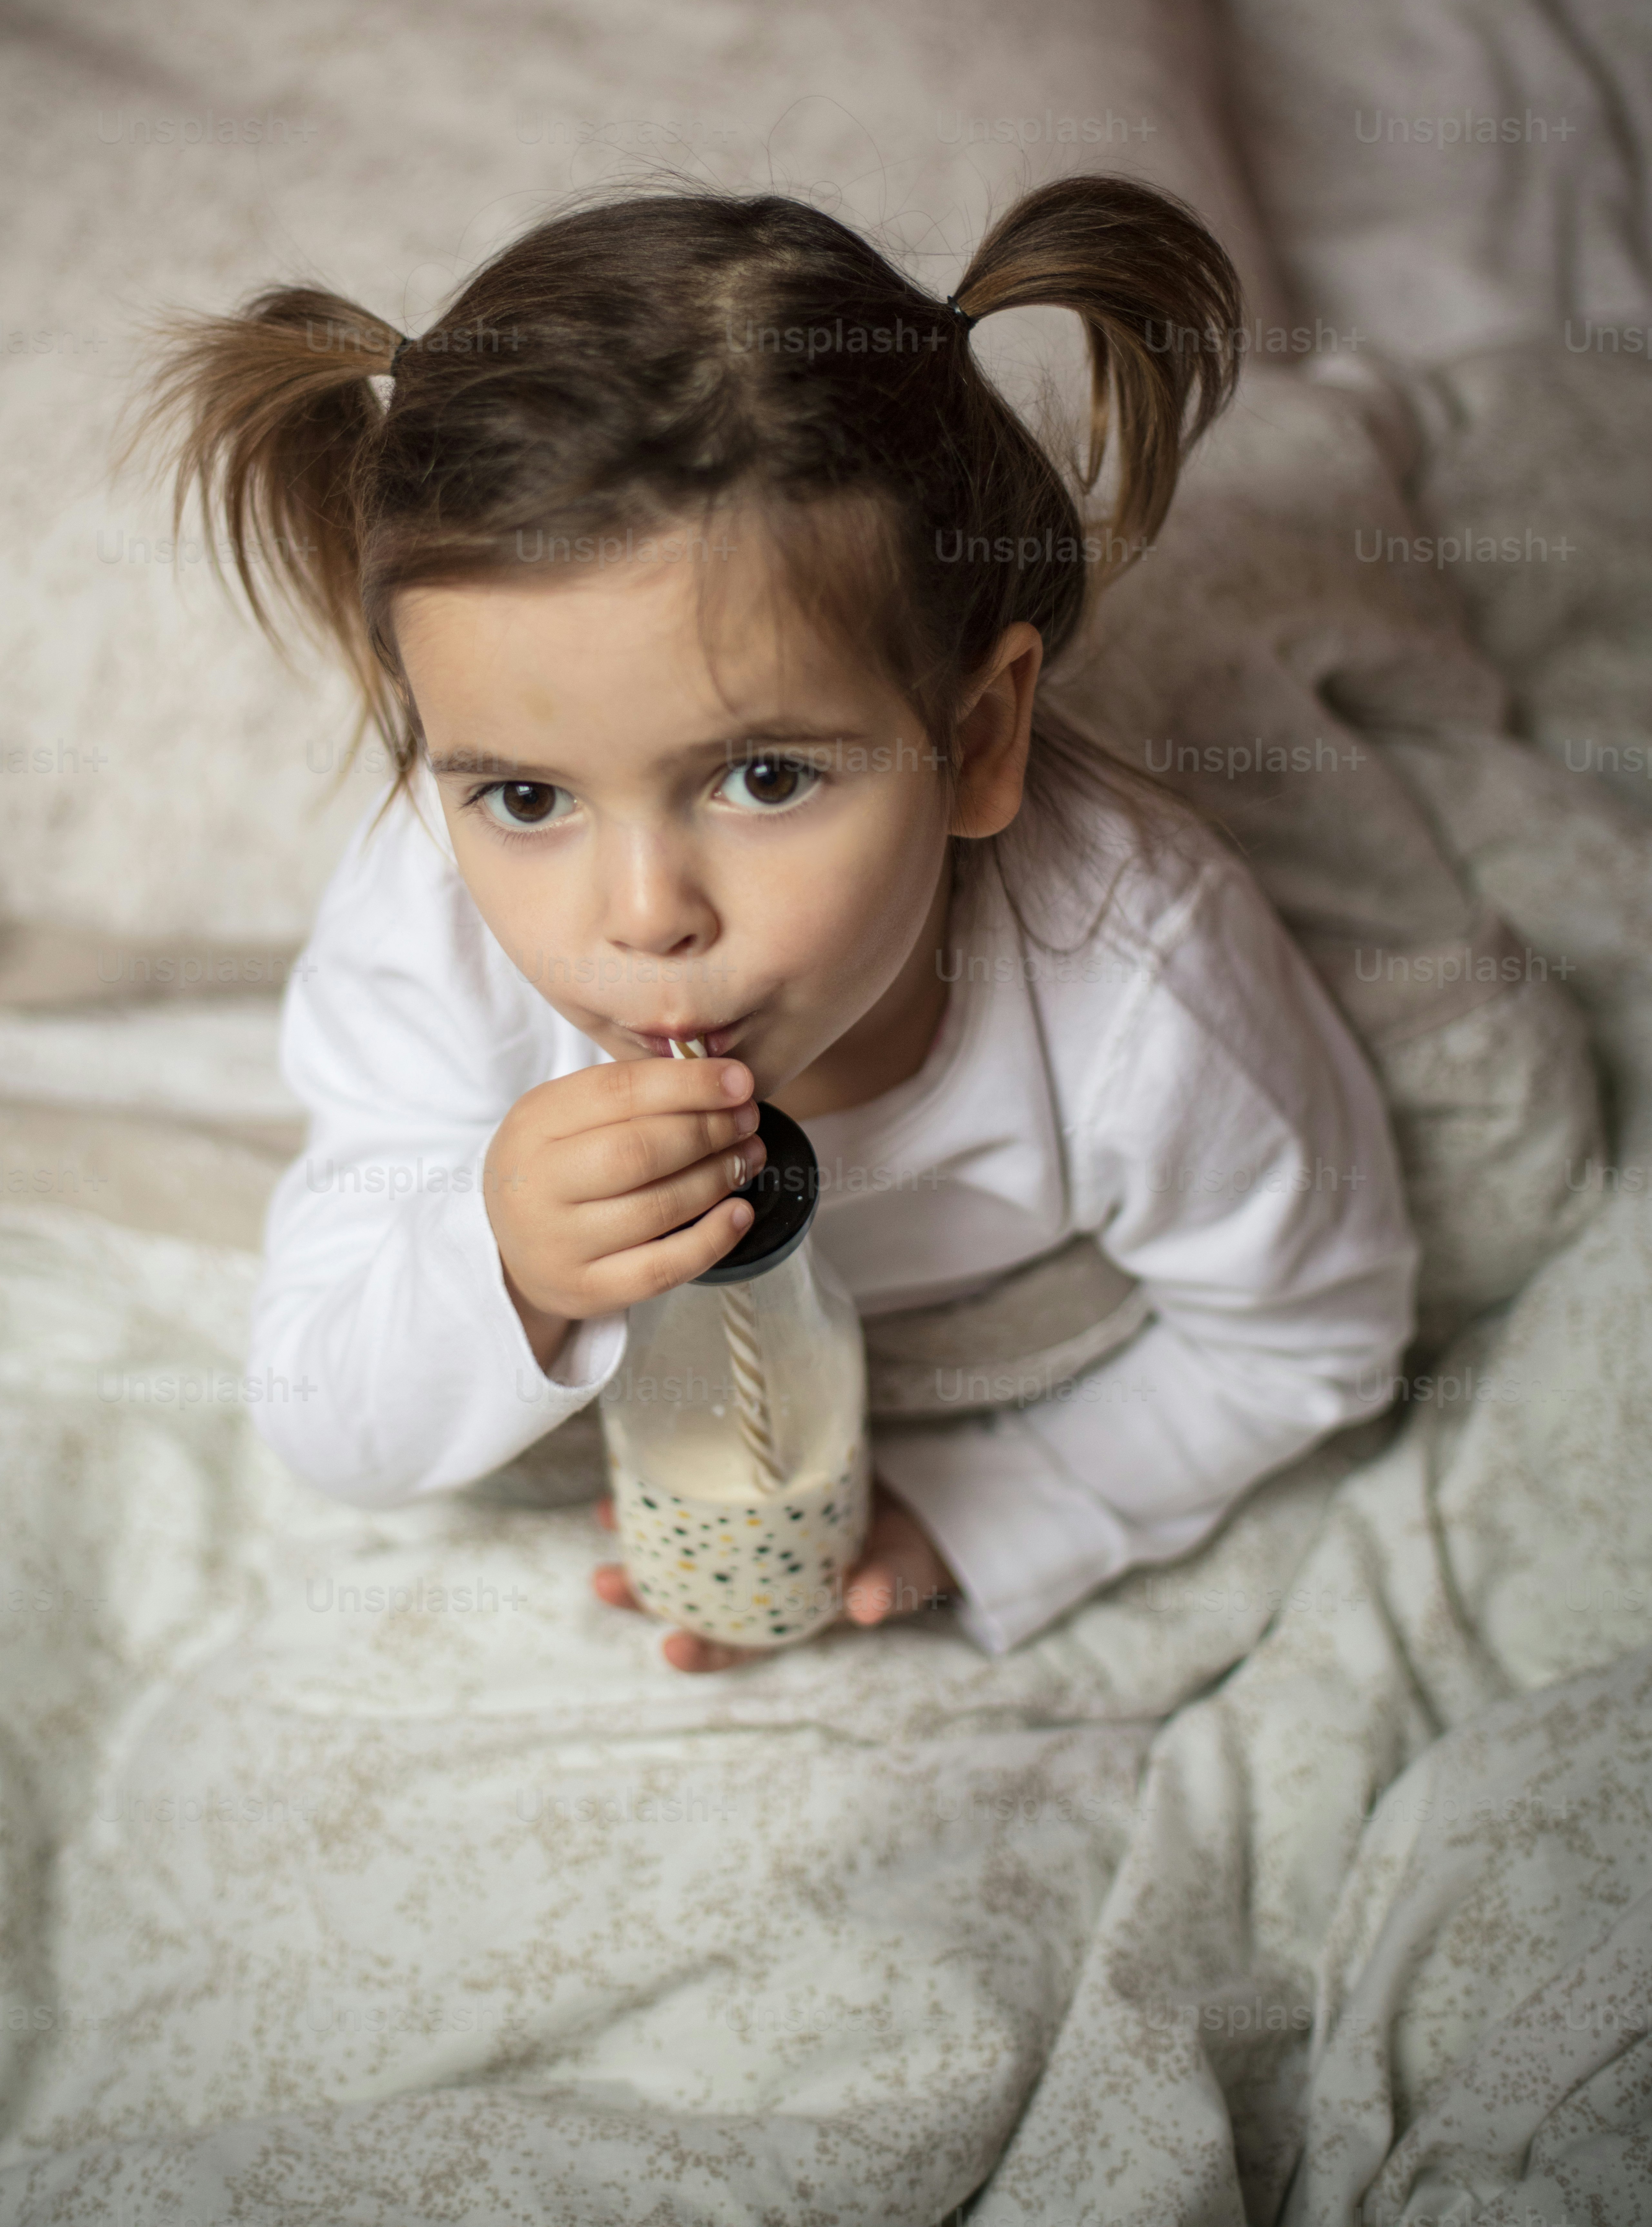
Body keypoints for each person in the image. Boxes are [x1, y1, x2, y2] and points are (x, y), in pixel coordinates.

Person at [129, 174, 1416, 1670]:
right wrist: (502, 1264)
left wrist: (987, 1508)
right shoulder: (429, 926)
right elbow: (321, 1417)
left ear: (979, 739)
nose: (643, 918)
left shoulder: (1136, 982)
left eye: (763, 776)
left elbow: (1315, 1336)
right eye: (528, 797)